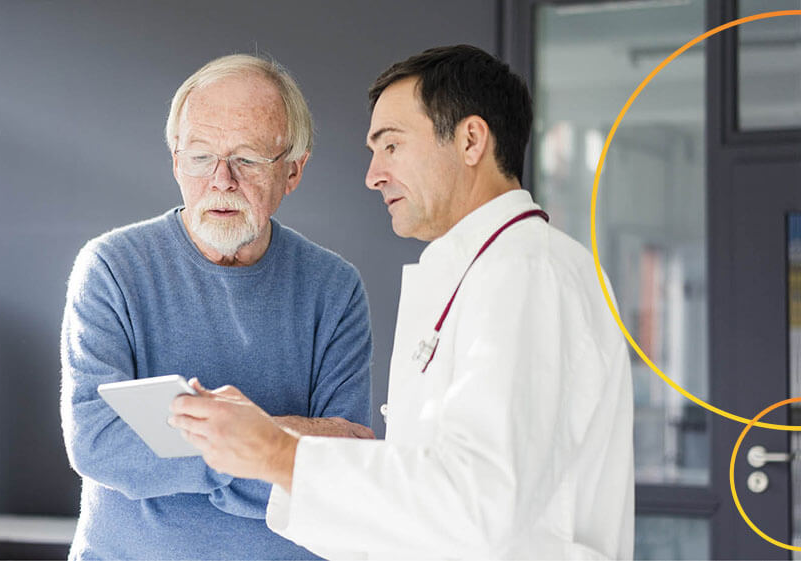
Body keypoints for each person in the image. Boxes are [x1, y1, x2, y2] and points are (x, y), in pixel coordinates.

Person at [170, 45, 634, 559]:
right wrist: (267, 439)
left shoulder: (528, 271)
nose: (373, 175)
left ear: (470, 139)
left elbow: (480, 504)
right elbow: (417, 509)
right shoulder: (480, 270)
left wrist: (279, 454)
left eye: (391, 146)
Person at [60, 54, 374, 560]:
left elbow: (344, 460)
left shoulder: (334, 288)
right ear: (176, 160)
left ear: (293, 171)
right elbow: (98, 441)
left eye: (247, 158)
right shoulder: (111, 268)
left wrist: (185, 445)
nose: (221, 180)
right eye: (201, 156)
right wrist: (265, 447)